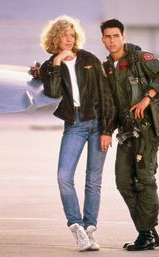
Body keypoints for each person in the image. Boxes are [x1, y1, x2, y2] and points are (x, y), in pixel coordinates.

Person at [38, 15, 114, 252]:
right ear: (55, 38)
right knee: (64, 177)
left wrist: (107, 129)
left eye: (72, 34)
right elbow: (51, 93)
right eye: (64, 35)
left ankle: (90, 229)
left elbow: (106, 95)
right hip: (75, 125)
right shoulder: (49, 66)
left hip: (98, 123)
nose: (69, 39)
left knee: (93, 180)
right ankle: (76, 226)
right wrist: (57, 63)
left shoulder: (89, 59)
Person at [100, 19, 159, 251]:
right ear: (103, 39)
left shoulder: (140, 58)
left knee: (145, 181)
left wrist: (147, 96)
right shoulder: (107, 67)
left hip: (147, 129)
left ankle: (146, 233)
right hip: (126, 131)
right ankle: (148, 231)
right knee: (123, 180)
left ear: (123, 36)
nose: (112, 41)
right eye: (107, 37)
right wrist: (106, 130)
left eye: (115, 36)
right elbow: (109, 102)